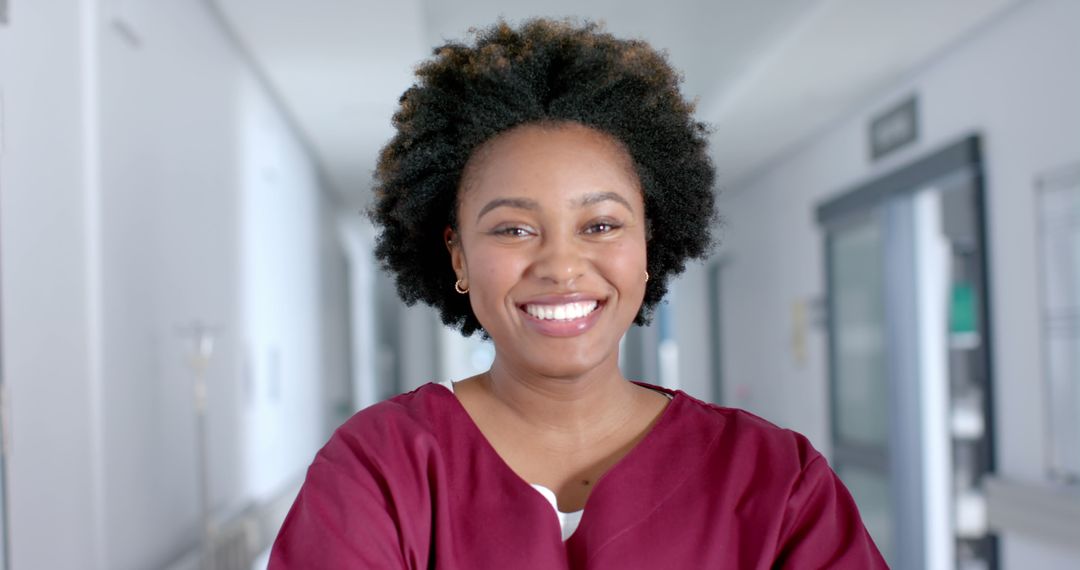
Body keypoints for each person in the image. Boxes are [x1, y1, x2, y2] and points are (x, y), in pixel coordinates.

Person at [269, 18, 887, 569]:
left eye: (600, 226)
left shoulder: (777, 480)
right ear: (458, 255)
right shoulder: (379, 468)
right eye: (514, 229)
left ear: (650, 241)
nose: (561, 266)